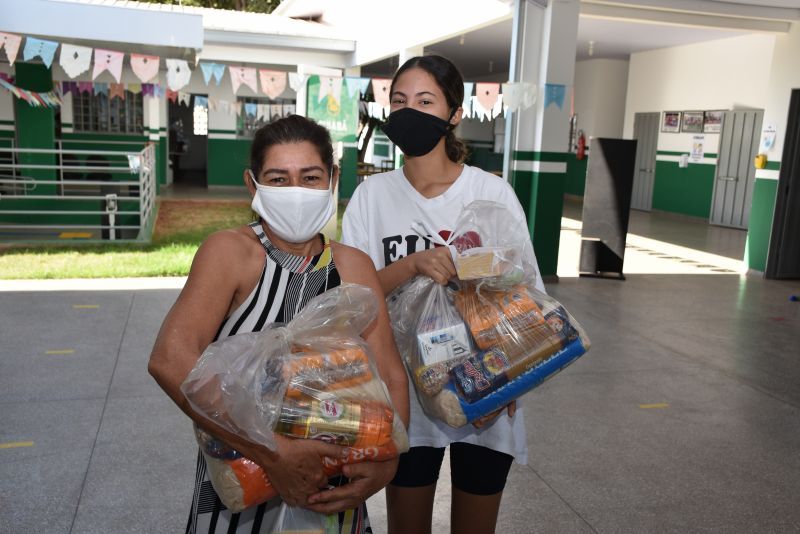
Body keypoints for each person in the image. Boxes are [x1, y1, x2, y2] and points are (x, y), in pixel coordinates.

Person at [149, 115, 409, 534]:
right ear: (253, 185)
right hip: (243, 489)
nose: (296, 192)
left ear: (332, 179)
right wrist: (274, 453)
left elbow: (392, 376)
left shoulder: (354, 267)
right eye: (278, 179)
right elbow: (170, 360)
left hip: (336, 497)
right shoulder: (230, 254)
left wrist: (389, 461)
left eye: (309, 177)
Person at [341, 55, 545, 534]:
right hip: (405, 387)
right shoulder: (372, 197)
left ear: (454, 113)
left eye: (425, 101)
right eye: (399, 101)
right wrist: (412, 265)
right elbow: (351, 296)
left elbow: (526, 292)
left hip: (486, 383)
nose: (409, 111)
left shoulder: (492, 194)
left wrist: (513, 375)